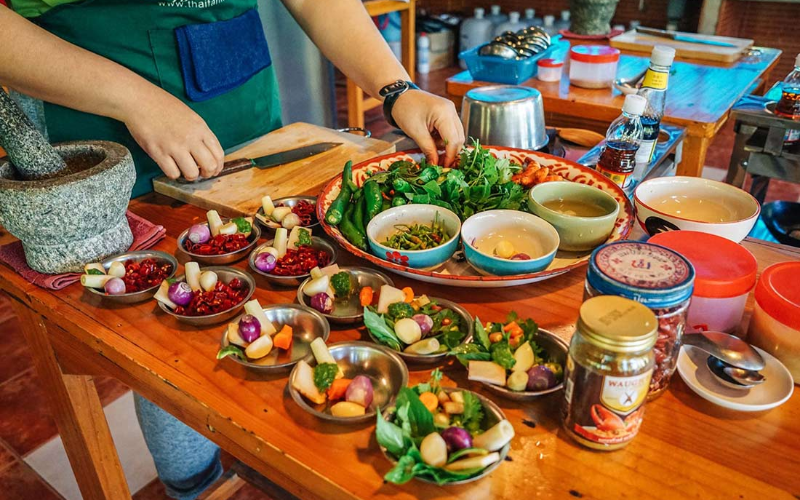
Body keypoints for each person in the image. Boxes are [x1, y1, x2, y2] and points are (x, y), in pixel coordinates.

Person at [0, 2, 465, 498]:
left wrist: (397, 89)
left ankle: (280, 456)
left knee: (281, 297)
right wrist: (135, 100)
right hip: (99, 113)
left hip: (242, 105)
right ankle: (193, 484)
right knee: (168, 336)